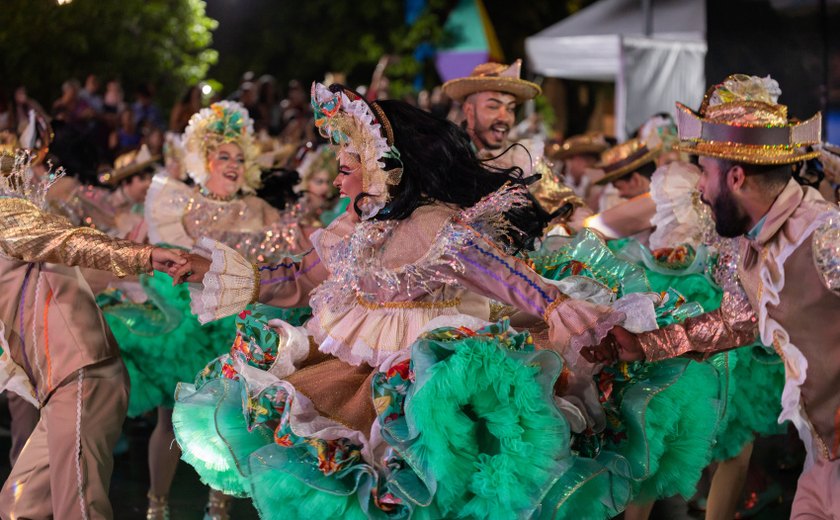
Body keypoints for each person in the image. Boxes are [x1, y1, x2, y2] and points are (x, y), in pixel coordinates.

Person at [168, 83, 640, 519]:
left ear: (382, 167)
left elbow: (506, 276)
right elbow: (296, 278)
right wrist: (209, 269)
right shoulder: (356, 224)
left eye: (347, 168)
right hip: (358, 378)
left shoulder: (435, 225)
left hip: (431, 382)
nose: (338, 181)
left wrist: (562, 310)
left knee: (432, 492)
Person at [594, 74, 839, 519]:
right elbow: (733, 323)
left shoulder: (823, 236)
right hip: (821, 460)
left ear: (737, 177)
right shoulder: (749, 247)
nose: (701, 190)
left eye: (704, 173)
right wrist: (644, 346)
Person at [118, 100, 308, 519]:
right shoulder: (177, 202)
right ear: (204, 158)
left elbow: (286, 267)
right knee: (169, 420)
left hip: (236, 326)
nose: (234, 164)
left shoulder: (261, 210)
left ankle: (218, 510)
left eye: (240, 157)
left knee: (231, 423)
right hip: (187, 323)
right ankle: (157, 507)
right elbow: (166, 261)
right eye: (224, 155)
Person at [0, 150, 186, 520]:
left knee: (79, 509)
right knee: (17, 507)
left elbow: (72, 242)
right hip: (59, 385)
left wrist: (143, 255)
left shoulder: (6, 217)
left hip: (80, 373)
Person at [442, 60, 586, 233]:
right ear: (469, 111)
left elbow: (566, 206)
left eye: (510, 109)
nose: (505, 118)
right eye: (493, 106)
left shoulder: (524, 158)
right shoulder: (447, 159)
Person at [582, 138, 660, 244]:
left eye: (619, 187)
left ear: (635, 180)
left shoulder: (661, 199)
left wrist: (583, 223)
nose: (620, 194)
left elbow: (604, 225)